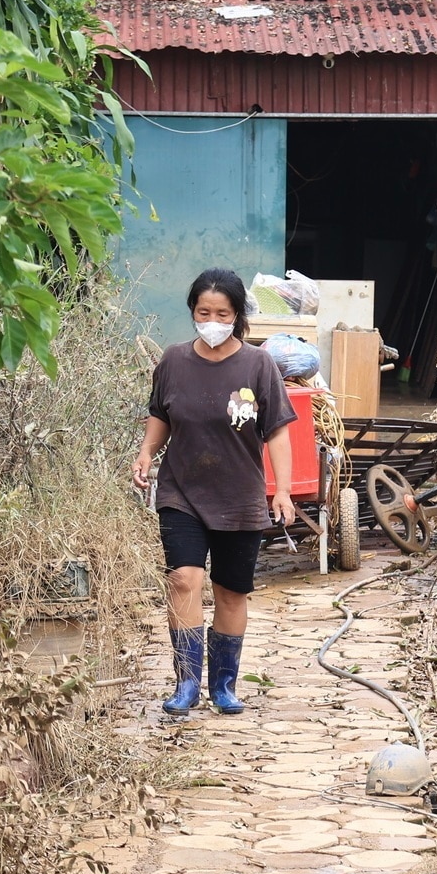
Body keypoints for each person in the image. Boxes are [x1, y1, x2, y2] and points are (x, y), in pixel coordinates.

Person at [132, 269, 300, 716]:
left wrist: (282, 490)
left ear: (237, 315)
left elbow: (278, 433)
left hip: (240, 496)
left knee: (230, 591)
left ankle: (223, 684)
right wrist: (147, 453)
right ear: (192, 312)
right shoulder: (172, 361)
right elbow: (159, 415)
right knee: (184, 579)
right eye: (203, 312)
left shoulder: (258, 365)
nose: (211, 320)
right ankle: (186, 682)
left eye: (221, 313)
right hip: (181, 491)